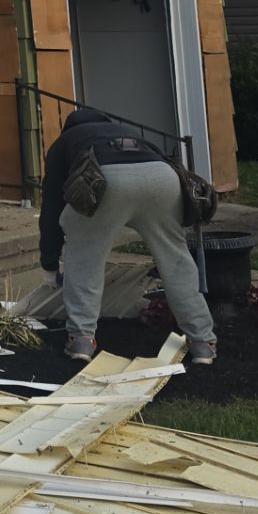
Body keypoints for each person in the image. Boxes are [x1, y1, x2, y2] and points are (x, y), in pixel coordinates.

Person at [39, 105, 216, 366]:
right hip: (163, 180)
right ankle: (203, 343)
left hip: (105, 181)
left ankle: (81, 340)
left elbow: (52, 206)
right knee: (176, 260)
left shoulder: (65, 142)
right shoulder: (128, 132)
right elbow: (169, 163)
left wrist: (50, 263)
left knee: (85, 256)